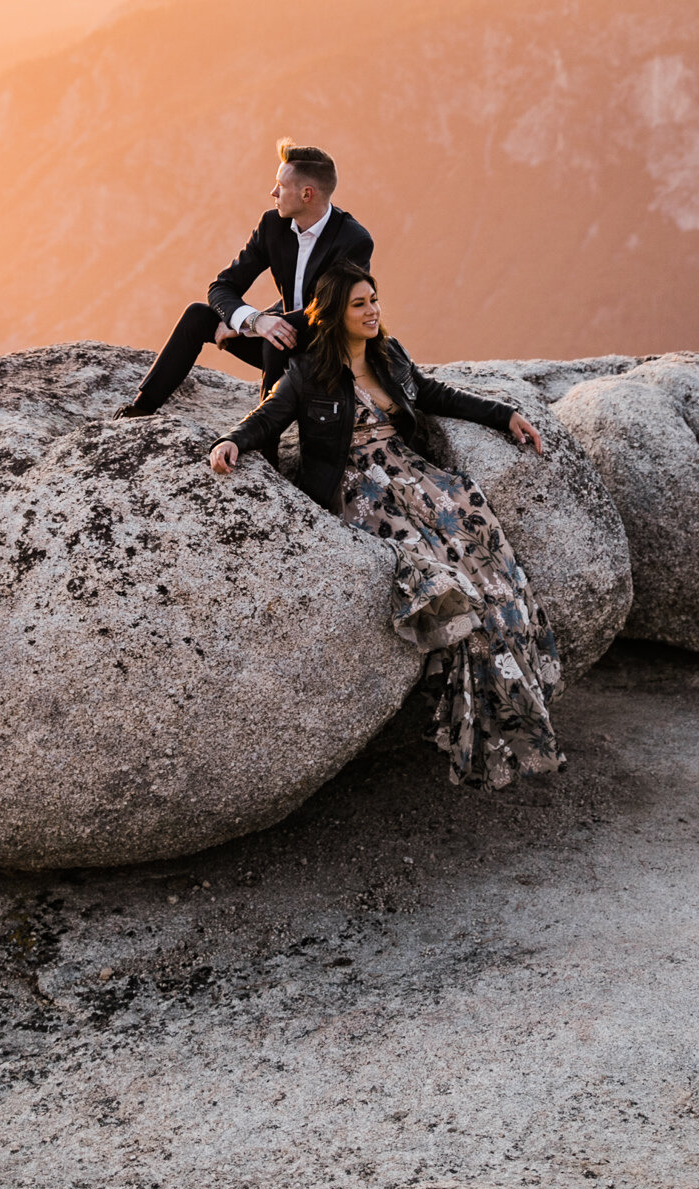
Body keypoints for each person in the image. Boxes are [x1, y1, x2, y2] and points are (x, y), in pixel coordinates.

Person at [208, 257, 563, 789]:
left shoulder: (390, 356)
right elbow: (270, 416)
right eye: (360, 304)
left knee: (496, 574)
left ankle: (522, 711)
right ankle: (479, 724)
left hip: (420, 481)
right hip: (362, 494)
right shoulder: (307, 371)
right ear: (332, 313)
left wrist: (502, 414)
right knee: (453, 588)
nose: (373, 310)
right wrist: (233, 440)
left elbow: (435, 393)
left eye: (374, 300)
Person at [118, 141, 374, 420]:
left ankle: (265, 442)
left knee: (277, 336)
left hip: (325, 351)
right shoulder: (272, 226)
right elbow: (222, 286)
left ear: (306, 194)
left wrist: (253, 327)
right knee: (197, 316)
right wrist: (252, 320)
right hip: (279, 339)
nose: (273, 192)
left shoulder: (353, 241)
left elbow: (327, 310)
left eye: (281, 186)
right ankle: (141, 409)